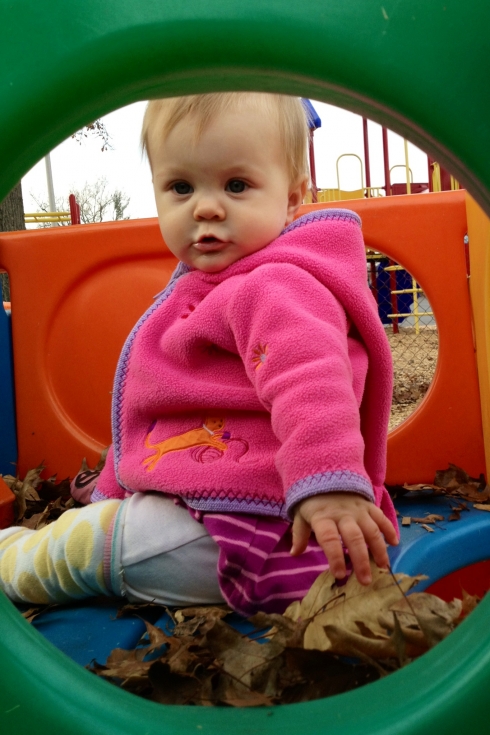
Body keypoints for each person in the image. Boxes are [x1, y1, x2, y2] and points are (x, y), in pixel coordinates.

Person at [0, 93, 398, 616]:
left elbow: (311, 375)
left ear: (293, 197)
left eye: (236, 185)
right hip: (229, 511)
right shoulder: (217, 285)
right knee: (120, 527)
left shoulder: (275, 285)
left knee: (90, 545)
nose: (205, 206)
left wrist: (327, 482)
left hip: (253, 528)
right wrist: (115, 484)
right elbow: (159, 415)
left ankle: (18, 561)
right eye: (181, 187)